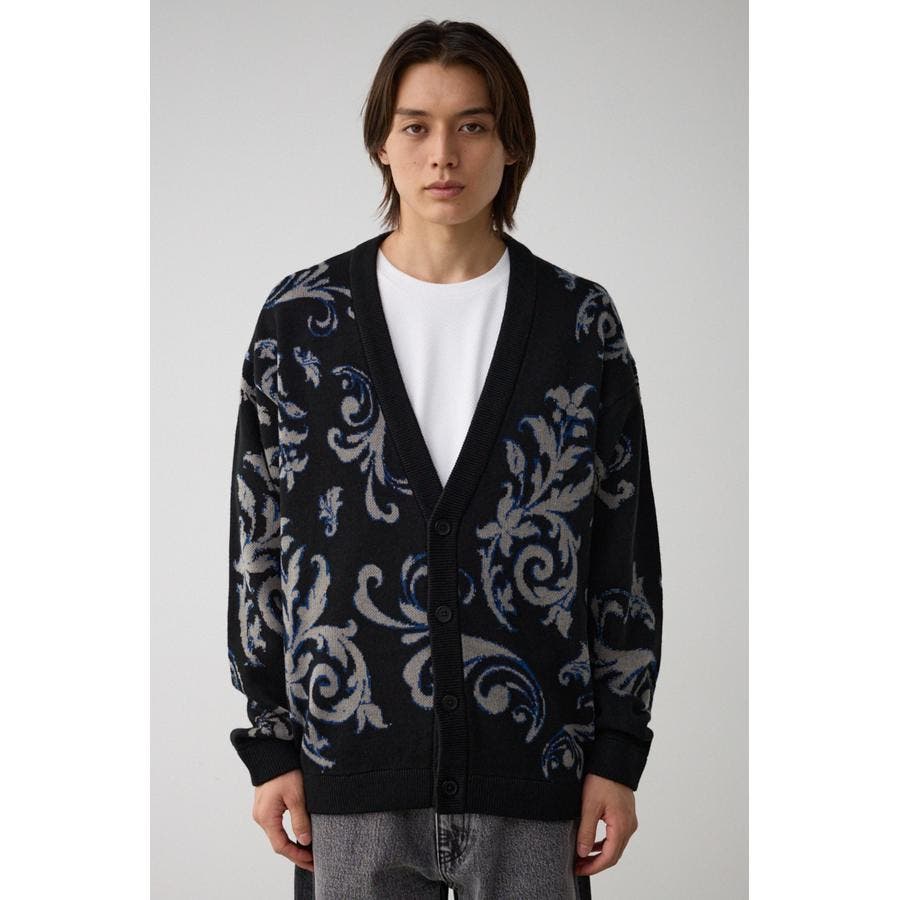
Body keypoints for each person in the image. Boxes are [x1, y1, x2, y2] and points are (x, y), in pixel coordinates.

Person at [227, 18, 664, 900]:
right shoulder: (302, 319)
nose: (443, 155)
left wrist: (618, 753)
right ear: (382, 144)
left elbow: (624, 553)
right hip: (351, 768)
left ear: (512, 143)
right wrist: (271, 744)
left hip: (534, 767)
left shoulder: (579, 323)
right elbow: (259, 541)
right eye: (416, 126)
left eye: (473, 125)